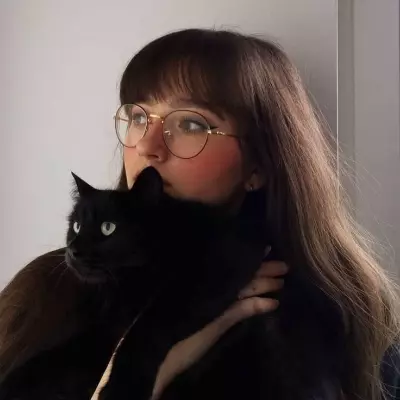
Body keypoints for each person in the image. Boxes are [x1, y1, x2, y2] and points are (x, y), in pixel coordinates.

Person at [0, 28, 399, 400]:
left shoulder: (351, 317)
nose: (148, 147)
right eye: (138, 118)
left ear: (258, 165)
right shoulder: (46, 288)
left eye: (190, 123)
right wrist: (144, 368)